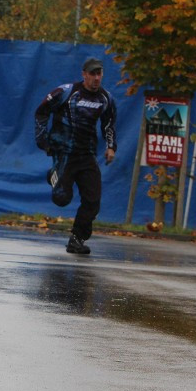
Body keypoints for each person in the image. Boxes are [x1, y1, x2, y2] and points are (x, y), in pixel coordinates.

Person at [34, 57, 117, 255]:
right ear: (84, 74)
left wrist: (111, 147)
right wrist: (43, 140)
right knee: (62, 199)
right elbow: (41, 112)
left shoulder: (106, 98)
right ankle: (54, 177)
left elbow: (109, 124)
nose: (96, 78)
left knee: (93, 200)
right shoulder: (67, 92)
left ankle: (77, 239)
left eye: (99, 74)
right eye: (92, 74)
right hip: (64, 152)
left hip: (87, 155)